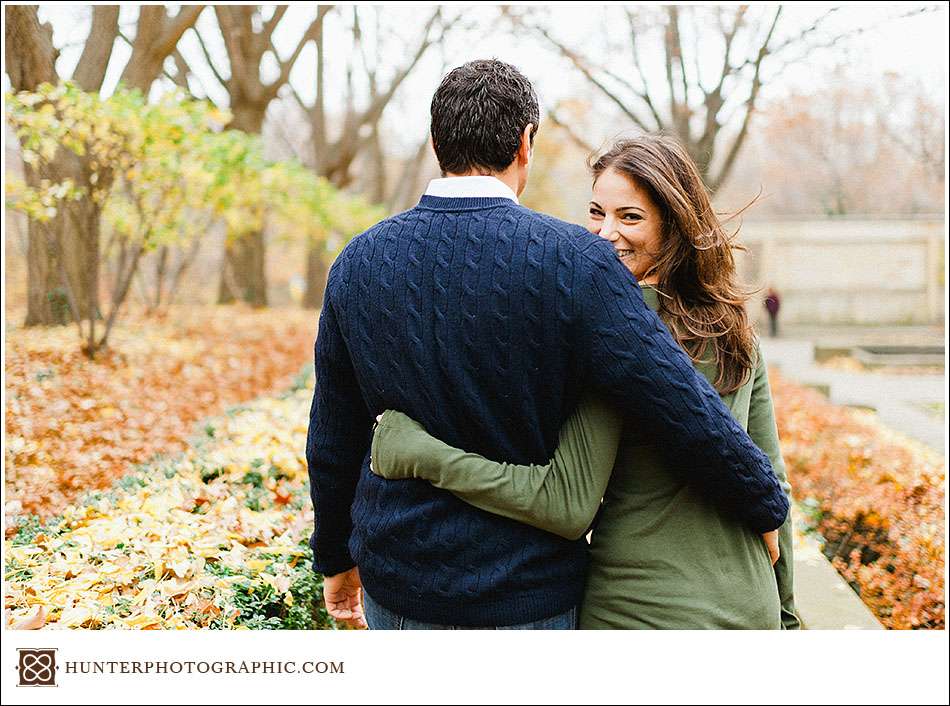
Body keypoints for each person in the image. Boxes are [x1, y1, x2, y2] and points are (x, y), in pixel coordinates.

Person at [307, 60, 789, 631]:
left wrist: (335, 556)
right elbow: (676, 397)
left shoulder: (356, 263)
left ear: (436, 142)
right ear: (525, 143)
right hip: (529, 593)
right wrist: (763, 500)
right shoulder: (575, 262)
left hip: (401, 583)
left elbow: (333, 434)